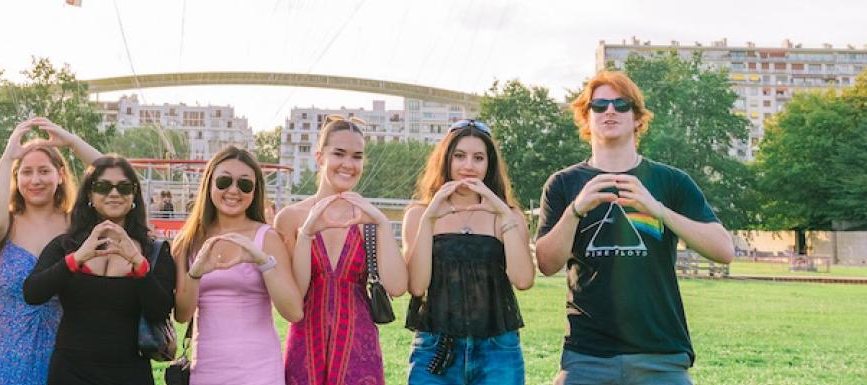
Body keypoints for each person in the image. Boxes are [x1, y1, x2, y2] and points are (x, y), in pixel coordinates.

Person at [534, 71, 735, 385]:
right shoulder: (562, 184)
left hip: (661, 355)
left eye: (621, 104)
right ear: (586, 119)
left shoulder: (671, 181)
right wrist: (576, 209)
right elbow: (546, 264)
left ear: (638, 119)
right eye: (598, 106)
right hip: (587, 355)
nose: (610, 111)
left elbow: (723, 251)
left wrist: (658, 210)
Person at [274, 116, 408, 385]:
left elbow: (397, 287)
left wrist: (380, 222)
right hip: (305, 346)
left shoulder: (369, 218)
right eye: (339, 154)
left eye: (357, 157)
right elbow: (294, 297)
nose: (348, 164)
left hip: (359, 348)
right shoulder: (291, 218)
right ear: (319, 157)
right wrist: (307, 234)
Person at [22, 156, 176, 385]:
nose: (114, 194)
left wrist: (138, 264)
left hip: (130, 372)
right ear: (89, 195)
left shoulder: (153, 251)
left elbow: (160, 310)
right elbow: (32, 293)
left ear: (134, 196)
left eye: (124, 187)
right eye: (103, 187)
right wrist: (76, 259)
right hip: (70, 372)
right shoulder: (65, 246)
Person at [401, 119, 534, 384]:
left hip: (497, 350)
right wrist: (430, 218)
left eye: (478, 158)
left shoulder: (507, 215)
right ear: (446, 159)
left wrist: (502, 212)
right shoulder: (419, 214)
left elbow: (523, 280)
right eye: (459, 156)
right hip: (436, 348)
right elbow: (417, 286)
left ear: (489, 164)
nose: (468, 166)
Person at [0, 117, 101, 385]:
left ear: (60, 175)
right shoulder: (3, 226)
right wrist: (8, 156)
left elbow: (115, 177)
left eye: (44, 171)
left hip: (64, 367)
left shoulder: (77, 228)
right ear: (16, 177)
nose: (35, 180)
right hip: (3, 367)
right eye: (26, 171)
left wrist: (71, 141)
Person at [172, 146, 302, 385]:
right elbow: (182, 315)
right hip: (207, 370)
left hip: (260, 371)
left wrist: (262, 262)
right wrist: (195, 274)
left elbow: (293, 311)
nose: (233, 190)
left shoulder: (267, 237)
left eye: (245, 185)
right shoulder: (188, 241)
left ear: (255, 191)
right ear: (209, 184)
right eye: (224, 181)